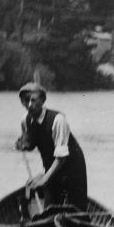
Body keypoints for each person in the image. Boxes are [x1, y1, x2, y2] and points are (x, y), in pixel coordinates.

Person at [15, 82, 88, 210]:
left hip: (73, 168)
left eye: (33, 100)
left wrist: (44, 179)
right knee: (50, 208)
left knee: (76, 210)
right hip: (51, 167)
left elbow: (61, 158)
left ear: (43, 100)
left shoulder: (58, 120)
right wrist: (24, 144)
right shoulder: (25, 121)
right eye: (26, 101)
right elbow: (31, 143)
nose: (30, 105)